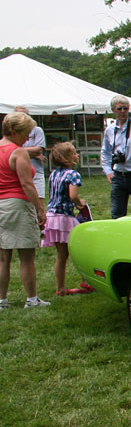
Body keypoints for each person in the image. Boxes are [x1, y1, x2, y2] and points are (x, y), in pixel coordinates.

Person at [0, 111, 49, 309]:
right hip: (18, 205)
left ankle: (2, 301)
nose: (28, 137)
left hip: (1, 205)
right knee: (27, 257)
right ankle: (31, 299)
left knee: (3, 258)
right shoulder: (18, 152)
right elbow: (27, 184)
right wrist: (39, 209)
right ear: (13, 131)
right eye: (25, 133)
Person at [41, 142, 93, 296]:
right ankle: (86, 281)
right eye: (75, 153)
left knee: (61, 255)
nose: (77, 155)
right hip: (64, 217)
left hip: (52, 216)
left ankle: (61, 288)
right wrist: (79, 203)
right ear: (67, 158)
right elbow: (72, 195)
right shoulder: (73, 174)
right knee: (79, 250)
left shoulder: (53, 174)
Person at [13, 106, 46, 199]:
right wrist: (34, 154)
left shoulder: (37, 130)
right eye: (21, 115)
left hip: (36, 171)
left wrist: (18, 151)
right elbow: (11, 150)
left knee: (38, 201)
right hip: (19, 172)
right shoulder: (12, 132)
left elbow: (38, 149)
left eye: (27, 115)